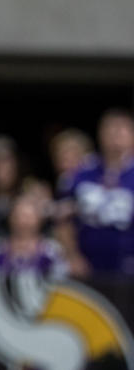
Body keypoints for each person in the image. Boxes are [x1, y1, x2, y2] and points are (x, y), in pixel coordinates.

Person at [56, 108, 134, 277]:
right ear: (100, 133)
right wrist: (71, 255)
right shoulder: (80, 172)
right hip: (86, 268)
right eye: (110, 128)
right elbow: (63, 220)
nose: (116, 134)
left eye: (122, 129)